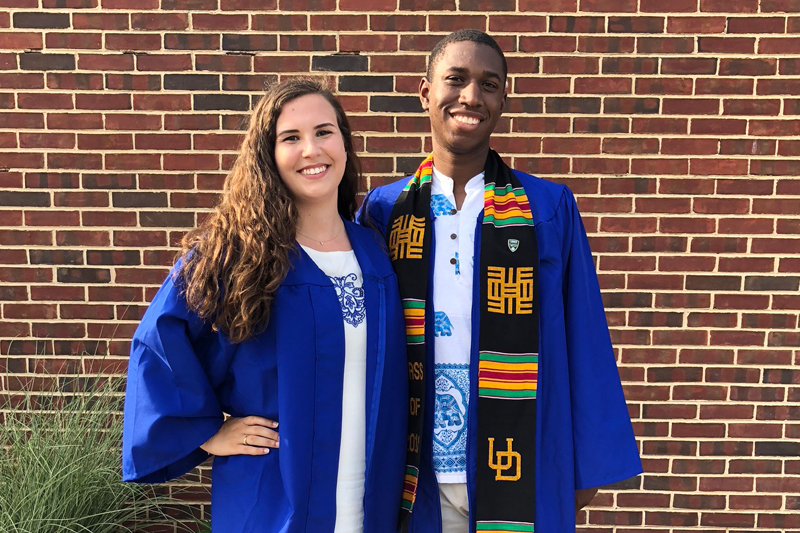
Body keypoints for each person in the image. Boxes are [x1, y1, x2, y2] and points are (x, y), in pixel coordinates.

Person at [358, 30, 642, 533]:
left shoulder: (547, 209)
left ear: (503, 101)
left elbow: (585, 336)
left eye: (489, 84)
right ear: (426, 93)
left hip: (522, 457)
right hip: (411, 467)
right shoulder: (384, 211)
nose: (471, 96)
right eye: (456, 79)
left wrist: (586, 463)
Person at [122, 79, 408, 533]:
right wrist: (209, 433)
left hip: (369, 494)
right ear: (268, 156)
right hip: (274, 493)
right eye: (291, 138)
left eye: (324, 132)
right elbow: (159, 340)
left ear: (344, 143)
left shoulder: (373, 250)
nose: (311, 150)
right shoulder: (238, 254)